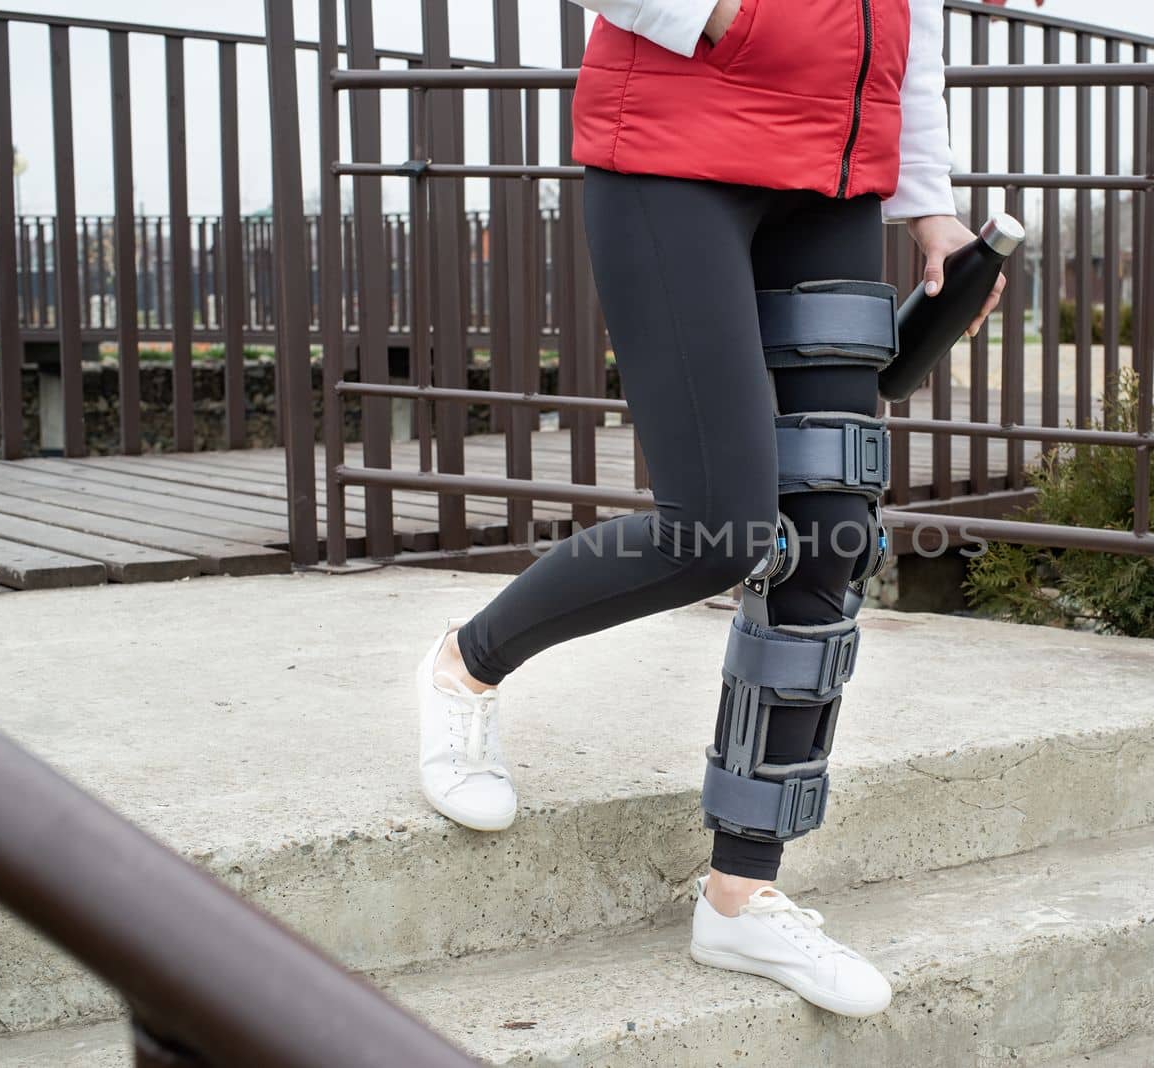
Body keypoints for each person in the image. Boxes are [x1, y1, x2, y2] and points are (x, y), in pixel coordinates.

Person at [415, 0, 1004, 1018]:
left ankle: (740, 892)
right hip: (675, 154)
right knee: (720, 529)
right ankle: (464, 668)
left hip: (831, 182)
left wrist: (928, 202)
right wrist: (726, 16)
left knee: (830, 535)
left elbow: (904, 26)